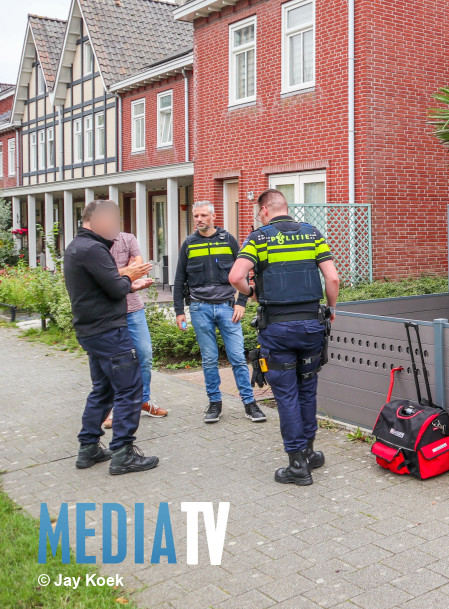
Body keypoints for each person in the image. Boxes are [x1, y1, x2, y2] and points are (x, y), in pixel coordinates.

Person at [229, 189, 339, 486]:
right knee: (307, 389)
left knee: (286, 395)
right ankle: (310, 452)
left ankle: (297, 464)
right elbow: (333, 278)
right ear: (284, 207)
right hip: (311, 327)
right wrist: (331, 308)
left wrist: (252, 293)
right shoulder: (312, 234)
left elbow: (236, 277)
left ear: (265, 210)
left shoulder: (259, 238)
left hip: (277, 330)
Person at [63, 200, 159, 475]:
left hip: (91, 330)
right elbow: (115, 288)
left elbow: (105, 286)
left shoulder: (76, 246)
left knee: (102, 389)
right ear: (95, 221)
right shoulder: (94, 249)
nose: (116, 230)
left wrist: (128, 283)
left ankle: (88, 447)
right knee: (130, 389)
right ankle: (123, 454)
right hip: (108, 331)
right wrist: (129, 280)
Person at [173, 200, 265, 424]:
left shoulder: (228, 240)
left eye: (203, 215)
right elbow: (179, 280)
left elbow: (244, 272)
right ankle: (215, 403)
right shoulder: (189, 244)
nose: (199, 220)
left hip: (227, 308)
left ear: (213, 216)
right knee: (209, 359)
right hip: (199, 308)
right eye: (196, 216)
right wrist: (179, 311)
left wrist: (241, 302)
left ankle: (249, 403)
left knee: (237, 358)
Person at [103, 231, 165, 429]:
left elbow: (139, 269)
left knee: (145, 354)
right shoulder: (95, 245)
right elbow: (101, 276)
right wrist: (125, 271)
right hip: (109, 311)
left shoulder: (127, 238)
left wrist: (122, 271)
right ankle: (114, 408)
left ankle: (142, 400)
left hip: (134, 308)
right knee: (115, 361)